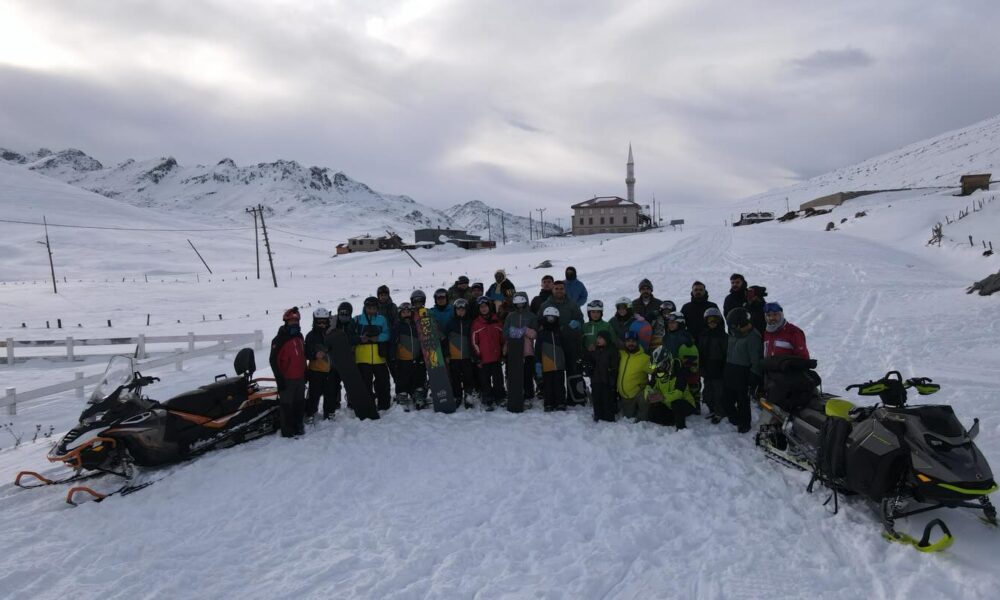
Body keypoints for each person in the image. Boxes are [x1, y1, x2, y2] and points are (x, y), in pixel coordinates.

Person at [723, 307, 763, 433]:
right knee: (726, 400)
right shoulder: (733, 334)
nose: (747, 327)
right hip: (730, 370)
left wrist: (754, 375)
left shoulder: (753, 337)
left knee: (742, 401)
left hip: (743, 373)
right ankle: (734, 418)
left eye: (747, 325)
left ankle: (744, 423)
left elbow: (756, 359)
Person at [269, 307, 306, 438]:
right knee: (287, 406)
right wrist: (279, 379)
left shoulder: (300, 336)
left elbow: (302, 356)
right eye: (291, 321)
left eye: (296, 321)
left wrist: (305, 372)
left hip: (300, 377)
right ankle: (287, 430)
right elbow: (273, 361)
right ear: (286, 322)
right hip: (287, 379)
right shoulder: (279, 339)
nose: (294, 323)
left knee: (299, 403)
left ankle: (299, 426)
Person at [644, 346, 696, 430]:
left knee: (677, 403)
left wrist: (662, 397)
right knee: (652, 414)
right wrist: (649, 394)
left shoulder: (679, 372)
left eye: (661, 365)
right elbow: (649, 386)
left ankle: (681, 428)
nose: (659, 369)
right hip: (667, 403)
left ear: (668, 362)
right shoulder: (656, 374)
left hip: (685, 404)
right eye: (656, 366)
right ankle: (672, 419)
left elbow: (679, 393)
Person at [354, 296, 391, 411]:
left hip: (379, 357)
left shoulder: (382, 319)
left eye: (374, 308)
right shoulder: (357, 319)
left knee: (383, 382)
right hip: (362, 358)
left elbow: (387, 334)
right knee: (365, 383)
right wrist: (360, 339)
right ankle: (367, 405)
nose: (371, 310)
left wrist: (378, 338)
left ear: (377, 308)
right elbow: (351, 336)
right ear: (365, 308)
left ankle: (384, 404)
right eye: (369, 308)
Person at [390, 302, 427, 410]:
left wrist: (423, 354)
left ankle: (418, 395)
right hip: (403, 358)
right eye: (404, 312)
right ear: (400, 314)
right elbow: (392, 343)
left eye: (408, 312)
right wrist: (393, 357)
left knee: (419, 377)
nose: (406, 314)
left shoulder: (417, 325)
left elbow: (424, 339)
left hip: (417, 357)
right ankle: (402, 395)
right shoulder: (397, 326)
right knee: (402, 378)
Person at [471, 296, 505, 410]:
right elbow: (474, 342)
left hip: (496, 357)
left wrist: (503, 352)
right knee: (485, 380)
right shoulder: (476, 323)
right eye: (481, 307)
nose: (484, 309)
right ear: (478, 309)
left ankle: (499, 396)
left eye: (485, 306)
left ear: (490, 307)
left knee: (498, 379)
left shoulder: (497, 321)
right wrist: (477, 356)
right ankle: (487, 398)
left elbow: (502, 338)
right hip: (483, 358)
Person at [504, 292, 538, 402]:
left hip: (527, 350)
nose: (519, 305)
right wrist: (514, 332)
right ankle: (513, 392)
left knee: (527, 373)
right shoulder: (510, 316)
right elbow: (505, 333)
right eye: (517, 303)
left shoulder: (531, 316)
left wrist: (525, 330)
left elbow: (535, 334)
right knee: (513, 373)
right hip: (513, 349)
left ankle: (528, 394)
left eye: (522, 303)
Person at [323, 302, 356, 412]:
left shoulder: (353, 323)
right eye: (342, 312)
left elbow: (354, 338)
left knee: (350, 381)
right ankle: (334, 402)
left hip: (348, 356)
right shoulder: (333, 322)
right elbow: (325, 336)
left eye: (346, 313)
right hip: (334, 357)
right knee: (334, 382)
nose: (344, 315)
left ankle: (352, 401)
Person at [698, 307, 729, 423]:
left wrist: (725, 368)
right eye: (709, 320)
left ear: (719, 321)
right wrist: (701, 366)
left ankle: (720, 411)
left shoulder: (724, 337)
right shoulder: (703, 335)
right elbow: (700, 352)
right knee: (707, 393)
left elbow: (727, 354)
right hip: (707, 367)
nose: (712, 322)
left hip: (719, 368)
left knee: (718, 393)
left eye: (715, 320)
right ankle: (712, 409)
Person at [535, 306, 568, 411]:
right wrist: (538, 362)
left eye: (553, 318)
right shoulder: (542, 333)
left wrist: (566, 360)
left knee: (559, 382)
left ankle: (560, 402)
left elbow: (565, 346)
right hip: (546, 362)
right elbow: (538, 348)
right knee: (548, 383)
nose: (550, 320)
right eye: (548, 317)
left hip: (558, 363)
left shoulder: (559, 331)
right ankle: (548, 403)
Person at [447, 298, 478, 408]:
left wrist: (474, 354)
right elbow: (445, 340)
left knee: (468, 377)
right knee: (455, 377)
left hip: (467, 356)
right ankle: (457, 395)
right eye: (458, 309)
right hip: (454, 356)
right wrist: (447, 354)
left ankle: (468, 395)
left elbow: (474, 339)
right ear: (455, 310)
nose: (460, 311)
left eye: (463, 309)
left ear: (466, 310)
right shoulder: (450, 323)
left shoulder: (470, 322)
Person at [304, 307, 332, 422]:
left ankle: (328, 413)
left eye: (324, 321)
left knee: (330, 393)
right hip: (315, 370)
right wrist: (315, 354)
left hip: (330, 369)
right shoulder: (311, 335)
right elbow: (306, 352)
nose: (322, 324)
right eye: (319, 322)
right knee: (314, 394)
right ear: (315, 321)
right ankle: (311, 413)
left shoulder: (331, 333)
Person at [583, 330, 618, 422]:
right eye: (597, 338)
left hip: (607, 381)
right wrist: (589, 353)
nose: (598, 340)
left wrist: (611, 379)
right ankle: (597, 415)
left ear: (606, 339)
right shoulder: (595, 350)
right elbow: (589, 361)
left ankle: (608, 417)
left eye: (601, 338)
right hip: (596, 380)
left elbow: (614, 366)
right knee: (597, 399)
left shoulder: (612, 350)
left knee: (607, 400)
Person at [617, 330, 651, 420]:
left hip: (639, 394)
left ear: (637, 342)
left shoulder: (645, 358)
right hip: (626, 396)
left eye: (633, 341)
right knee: (628, 417)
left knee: (644, 399)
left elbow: (655, 370)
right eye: (628, 341)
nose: (630, 344)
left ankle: (643, 417)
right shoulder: (622, 354)